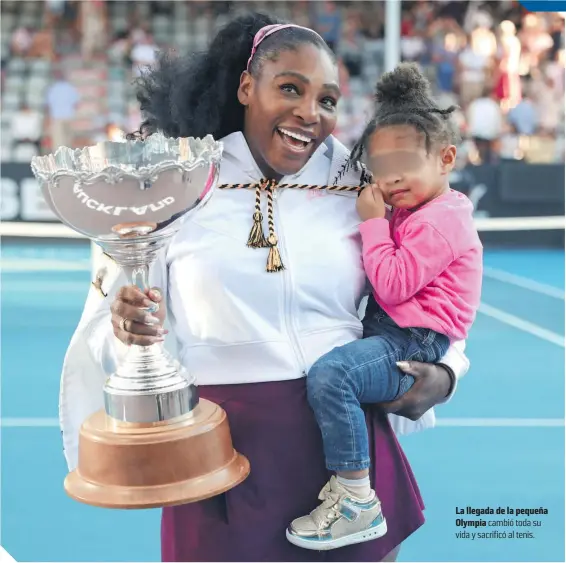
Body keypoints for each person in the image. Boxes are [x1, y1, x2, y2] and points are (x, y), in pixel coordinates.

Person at [60, 13, 470, 562]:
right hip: (222, 449)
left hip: (346, 460)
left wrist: (448, 372)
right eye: (290, 89)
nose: (310, 113)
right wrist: (128, 326)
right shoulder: (178, 181)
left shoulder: (361, 184)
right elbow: (120, 318)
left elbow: (437, 277)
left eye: (327, 100)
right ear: (246, 87)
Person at [286, 63, 482, 551]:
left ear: (446, 158)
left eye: (404, 165)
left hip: (411, 338)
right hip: (396, 331)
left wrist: (373, 222)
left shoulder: (440, 220)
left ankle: (355, 498)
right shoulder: (420, 209)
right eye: (379, 168)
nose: (390, 180)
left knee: (334, 376)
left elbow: (393, 286)